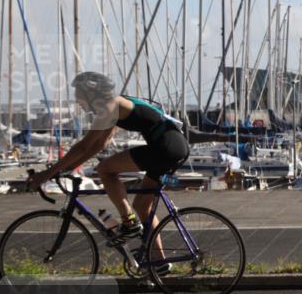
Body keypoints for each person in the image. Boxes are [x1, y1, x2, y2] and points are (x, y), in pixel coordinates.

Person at [29, 72, 190, 250]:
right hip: (175, 147)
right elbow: (100, 145)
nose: (76, 100)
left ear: (91, 93)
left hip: (164, 148)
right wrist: (70, 167)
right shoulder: (116, 105)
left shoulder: (110, 106)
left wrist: (47, 174)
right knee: (142, 205)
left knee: (105, 169)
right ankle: (158, 263)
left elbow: (84, 146)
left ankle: (129, 224)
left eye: (78, 94)